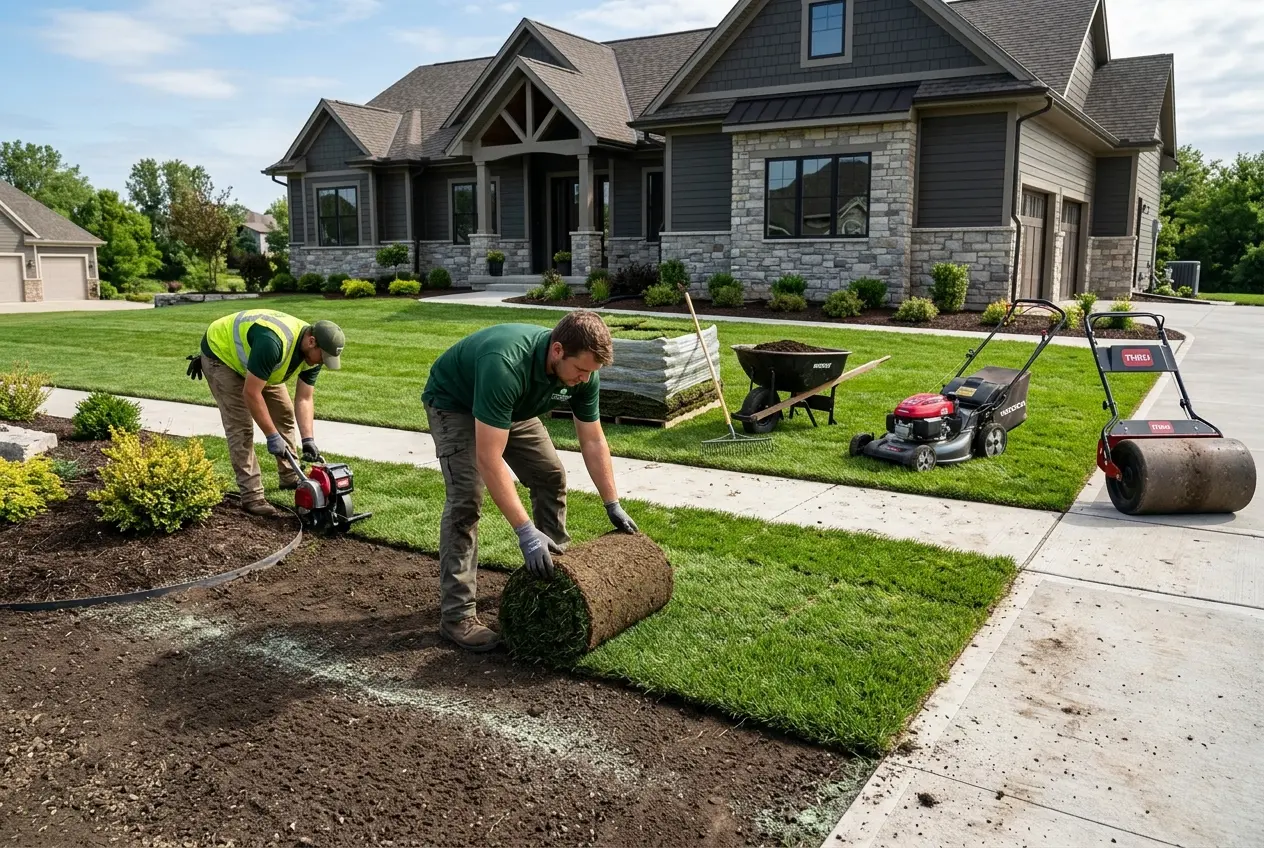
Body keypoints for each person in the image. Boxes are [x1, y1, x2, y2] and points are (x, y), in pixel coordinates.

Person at [421, 310, 639, 652]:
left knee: (550, 475)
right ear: (556, 351)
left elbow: (593, 440)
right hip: (456, 403)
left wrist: (612, 503)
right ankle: (457, 617)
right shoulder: (505, 365)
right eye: (580, 370)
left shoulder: (583, 373)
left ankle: (553, 575)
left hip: (512, 407)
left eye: (590, 373)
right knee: (466, 498)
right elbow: (489, 461)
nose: (585, 379)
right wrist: (524, 531)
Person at [186, 308, 345, 518]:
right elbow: (252, 393)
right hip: (222, 357)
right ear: (312, 341)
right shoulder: (273, 343)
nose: (322, 362)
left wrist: (308, 440)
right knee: (241, 427)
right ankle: (252, 496)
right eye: (323, 358)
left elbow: (304, 398)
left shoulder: (313, 354)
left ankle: (290, 475)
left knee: (284, 413)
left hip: (261, 364)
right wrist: (272, 436)